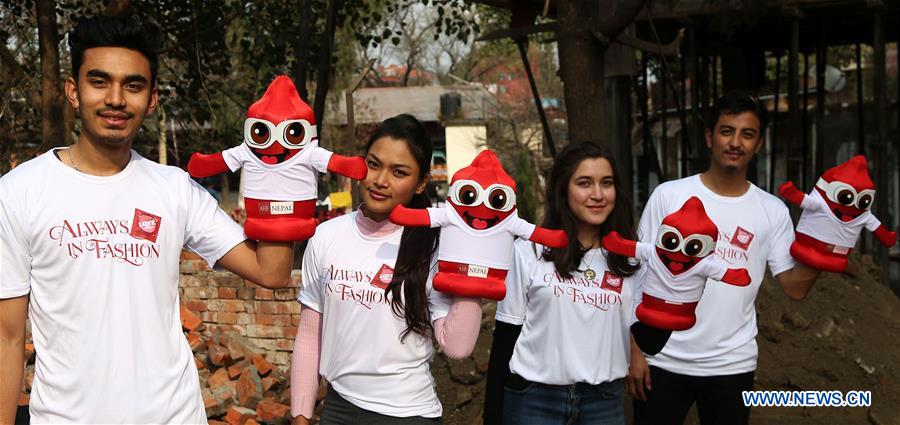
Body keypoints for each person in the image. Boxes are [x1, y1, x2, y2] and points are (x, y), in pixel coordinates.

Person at [0, 16, 295, 424]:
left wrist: (284, 174)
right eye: (99, 82)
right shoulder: (19, 192)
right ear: (73, 90)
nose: (116, 99)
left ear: (152, 98)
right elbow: (8, 337)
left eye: (133, 85)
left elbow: (272, 272)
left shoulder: (174, 189)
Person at [630, 91, 821, 425]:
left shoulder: (772, 210)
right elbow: (637, 278)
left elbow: (795, 288)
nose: (736, 142)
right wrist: (634, 352)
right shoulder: (669, 195)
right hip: (663, 358)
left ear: (759, 143)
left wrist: (827, 243)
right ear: (709, 137)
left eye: (747, 134)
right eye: (726, 131)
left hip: (732, 365)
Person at [289, 114, 483, 425]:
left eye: (399, 172)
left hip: (408, 414)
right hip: (338, 410)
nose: (380, 180)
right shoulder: (327, 236)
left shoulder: (437, 245)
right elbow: (310, 335)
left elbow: (458, 347)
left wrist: (475, 273)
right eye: (374, 164)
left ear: (421, 183)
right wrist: (300, 416)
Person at [483, 142, 642, 425]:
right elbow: (505, 336)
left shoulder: (630, 259)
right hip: (533, 400)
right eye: (584, 183)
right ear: (563, 190)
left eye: (606, 183)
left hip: (603, 403)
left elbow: (645, 334)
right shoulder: (530, 250)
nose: (597, 194)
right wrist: (492, 414)